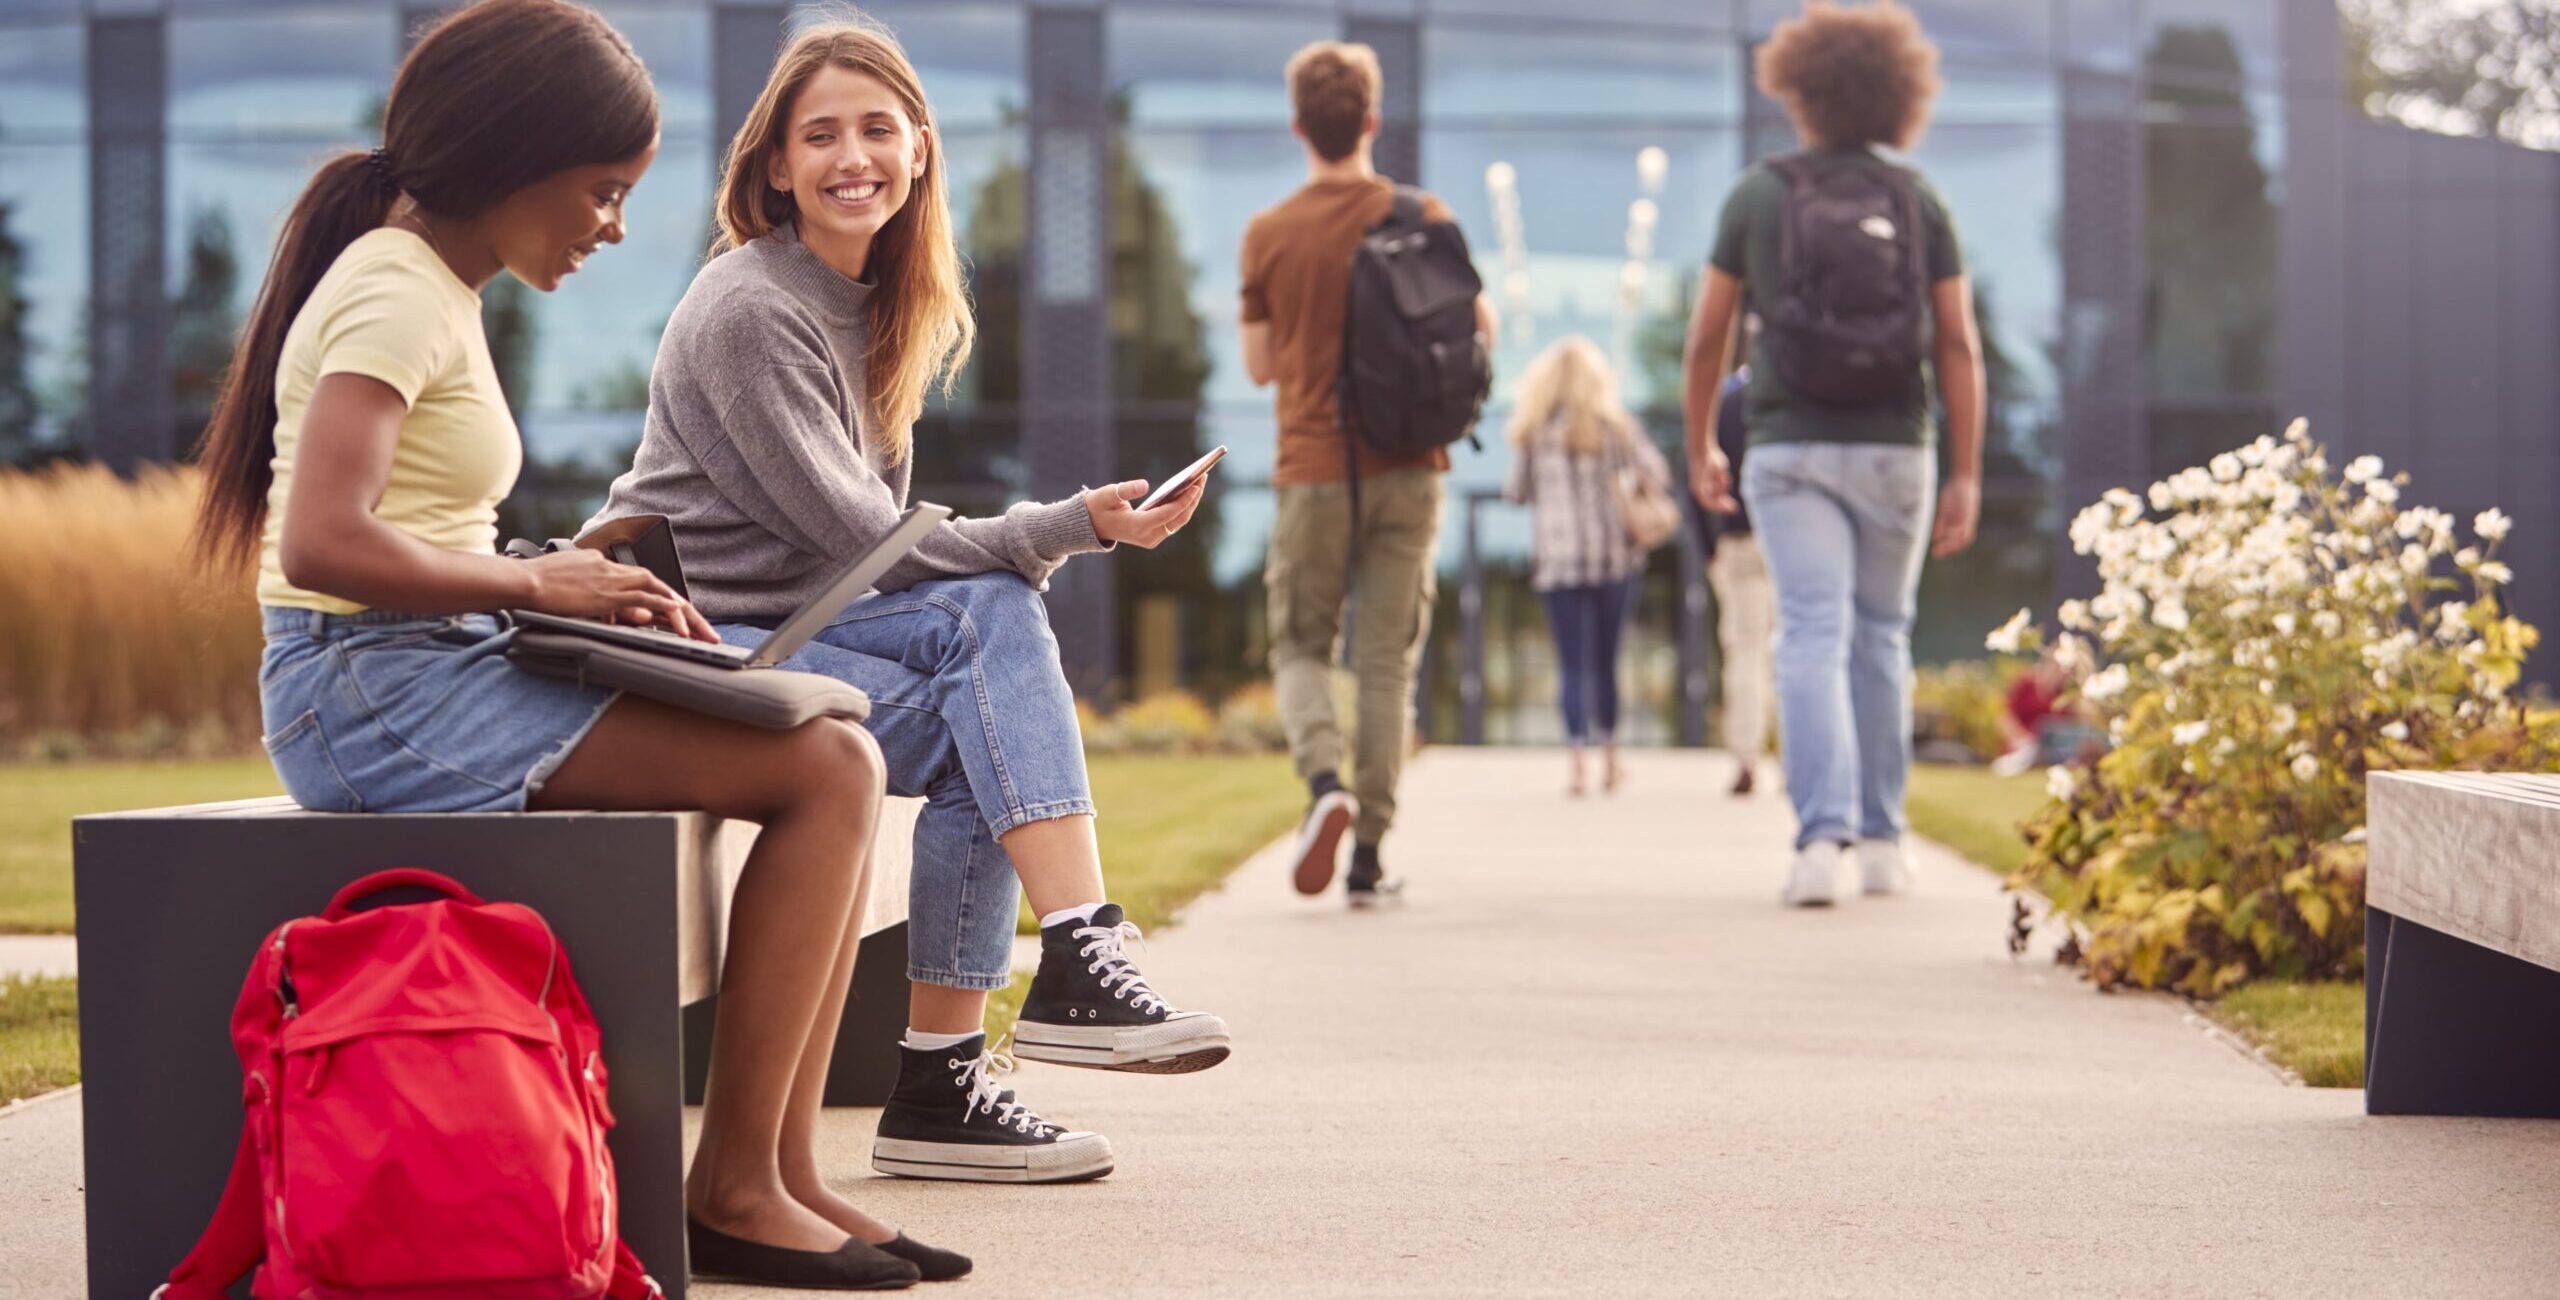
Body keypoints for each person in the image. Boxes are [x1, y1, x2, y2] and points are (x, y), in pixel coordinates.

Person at [187, 1, 951, 1288]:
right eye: (601, 193)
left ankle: (785, 1174)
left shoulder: (423, 281)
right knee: (825, 768)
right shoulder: (392, 290)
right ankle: (736, 1188)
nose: (612, 227)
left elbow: (413, 525)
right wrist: (533, 583)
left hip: (422, 666)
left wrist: (563, 581)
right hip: (370, 690)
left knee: (833, 734)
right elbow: (321, 546)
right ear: (510, 157)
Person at [587, 16, 1224, 1189]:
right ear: (774, 164)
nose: (851, 157)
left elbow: (877, 559)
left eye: (877, 130)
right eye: (818, 135)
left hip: (796, 632)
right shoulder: (751, 309)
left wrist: (1050, 539)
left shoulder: (877, 303)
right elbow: (867, 542)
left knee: (994, 688)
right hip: (701, 646)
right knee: (991, 639)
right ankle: (1062, 966)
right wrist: (1072, 524)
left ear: (921, 150)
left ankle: (948, 1076)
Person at [1682, 1, 1985, 907]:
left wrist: (1701, 441)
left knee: (1808, 632)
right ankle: (1885, 843)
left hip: (1789, 445)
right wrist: (1966, 470)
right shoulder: (1918, 198)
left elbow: (1708, 339)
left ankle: (1818, 844)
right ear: (1898, 95)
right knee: (1881, 637)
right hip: (1896, 445)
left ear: (1799, 92)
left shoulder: (1758, 194)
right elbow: (1958, 343)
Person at [1241, 40, 1496, 906]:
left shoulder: (1271, 232)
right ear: (1372, 122)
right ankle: (1369, 859)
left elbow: (1259, 366)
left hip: (1313, 466)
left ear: (1298, 126)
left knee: (1302, 643)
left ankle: (1325, 788)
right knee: (1387, 661)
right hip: (1413, 467)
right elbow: (1481, 329)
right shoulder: (1425, 215)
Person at [1501, 337, 1671, 797]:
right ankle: (1611, 759)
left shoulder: (1536, 432)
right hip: (1613, 559)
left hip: (1558, 564)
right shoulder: (1616, 427)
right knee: (1605, 662)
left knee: (1572, 665)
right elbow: (1658, 475)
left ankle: (1577, 762)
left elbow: (1515, 492)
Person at [1707, 317, 1776, 797]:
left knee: (1745, 651)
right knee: (1797, 647)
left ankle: (1747, 756)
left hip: (1738, 542)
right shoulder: (1794, 403)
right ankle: (1798, 761)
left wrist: (1709, 546)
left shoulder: (1725, 403)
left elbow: (1698, 478)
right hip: (1787, 541)